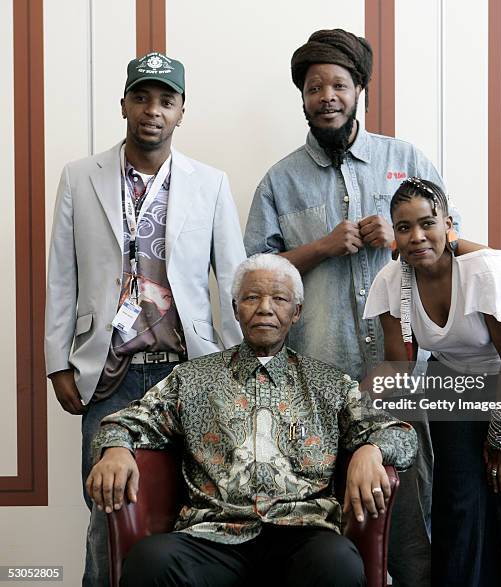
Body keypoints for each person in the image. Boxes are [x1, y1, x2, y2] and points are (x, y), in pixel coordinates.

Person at [244, 28, 459, 587]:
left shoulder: (404, 158)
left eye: (339, 84)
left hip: (405, 374)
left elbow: (449, 247)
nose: (328, 96)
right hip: (314, 382)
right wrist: (320, 247)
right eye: (315, 87)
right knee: (325, 524)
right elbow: (254, 278)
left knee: (409, 519)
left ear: (359, 87)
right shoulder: (279, 180)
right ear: (303, 97)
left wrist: (401, 236)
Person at [87, 253, 416, 587]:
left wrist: (371, 449)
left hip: (303, 536)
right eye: (252, 297)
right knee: (150, 561)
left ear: (296, 312)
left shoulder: (328, 384)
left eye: (279, 299)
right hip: (213, 538)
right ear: (235, 308)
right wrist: (115, 447)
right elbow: (127, 421)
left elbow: (401, 436)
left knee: (339, 563)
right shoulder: (192, 379)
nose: (265, 308)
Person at [44, 51, 245, 586]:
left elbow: (232, 280)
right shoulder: (80, 176)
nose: (152, 110)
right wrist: (56, 362)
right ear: (124, 105)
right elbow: (62, 275)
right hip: (106, 374)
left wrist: (237, 369)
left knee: (195, 510)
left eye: (166, 100)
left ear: (181, 112)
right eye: (141, 97)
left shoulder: (211, 183)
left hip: (190, 373)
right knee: (108, 513)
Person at [363, 177, 501, 586]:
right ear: (394, 234)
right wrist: (354, 397)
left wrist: (500, 437)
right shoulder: (392, 281)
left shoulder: (483, 269)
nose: (416, 236)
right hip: (456, 376)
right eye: (404, 227)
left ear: (448, 224)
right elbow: (398, 365)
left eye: (427, 223)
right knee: (459, 498)